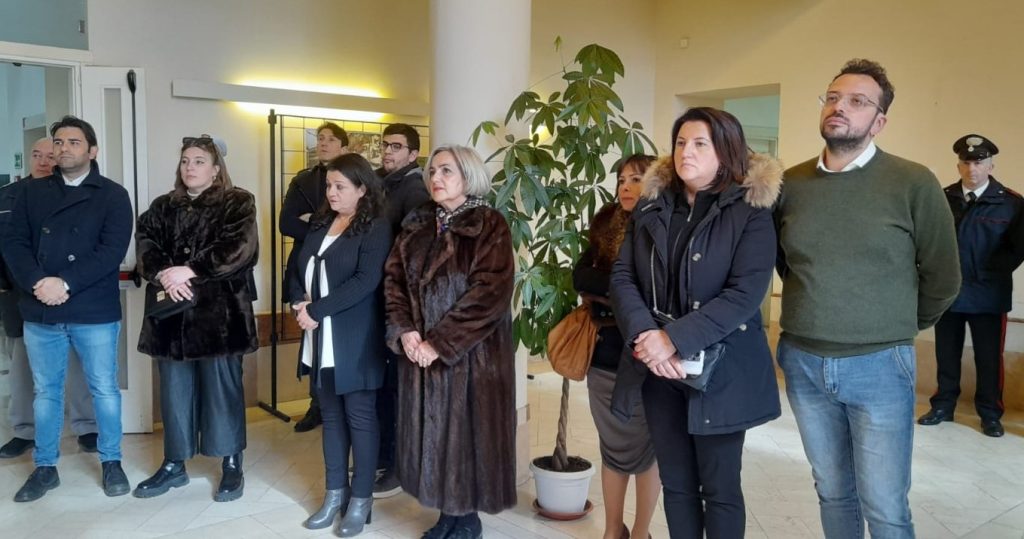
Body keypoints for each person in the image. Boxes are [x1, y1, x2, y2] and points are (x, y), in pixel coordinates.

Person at [774, 59, 960, 538]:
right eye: (833, 97)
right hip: (803, 361)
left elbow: (943, 275)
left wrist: (894, 326)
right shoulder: (790, 185)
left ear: (879, 122)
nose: (840, 107)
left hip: (880, 364)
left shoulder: (912, 182)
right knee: (833, 490)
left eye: (857, 101)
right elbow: (785, 263)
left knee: (884, 504)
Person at [610, 108, 783, 538]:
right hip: (659, 371)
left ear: (726, 151)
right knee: (677, 485)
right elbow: (623, 275)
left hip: (722, 371)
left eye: (700, 144)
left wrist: (672, 339)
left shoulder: (751, 210)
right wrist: (646, 337)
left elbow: (744, 294)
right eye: (681, 143)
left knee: (720, 488)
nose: (686, 152)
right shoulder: (652, 204)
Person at [384, 144, 516, 539]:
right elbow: (394, 282)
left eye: (446, 171)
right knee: (434, 436)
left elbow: (489, 294)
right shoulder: (417, 223)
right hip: (418, 354)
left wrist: (439, 343)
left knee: (465, 439)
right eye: (432, 171)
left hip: (471, 357)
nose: (435, 178)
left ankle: (467, 519)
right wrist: (405, 331)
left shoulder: (489, 224)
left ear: (468, 176)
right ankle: (447, 514)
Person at [3, 115, 134, 501]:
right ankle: (45, 468)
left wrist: (65, 283)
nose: (63, 149)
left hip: (93, 309)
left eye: (73, 142)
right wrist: (38, 282)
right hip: (41, 307)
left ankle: (112, 461)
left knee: (104, 389)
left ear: (92, 151)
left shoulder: (113, 195)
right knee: (45, 392)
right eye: (58, 142)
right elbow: (13, 244)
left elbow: (110, 252)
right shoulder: (32, 192)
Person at [133, 135, 258, 502]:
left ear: (216, 169)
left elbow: (240, 249)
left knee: (222, 393)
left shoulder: (238, 202)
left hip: (220, 318)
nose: (190, 167)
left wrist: (190, 270)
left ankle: (231, 463)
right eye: (185, 160)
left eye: (199, 161)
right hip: (170, 318)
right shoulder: (162, 206)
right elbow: (145, 243)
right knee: (175, 394)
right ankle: (174, 464)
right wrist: (164, 273)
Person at [289, 153, 392, 535]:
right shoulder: (321, 223)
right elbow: (299, 265)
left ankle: (361, 501)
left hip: (355, 339)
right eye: (329, 186)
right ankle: (335, 494)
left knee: (360, 418)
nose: (331, 193)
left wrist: (316, 309)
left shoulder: (376, 227)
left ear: (362, 189)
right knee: (331, 418)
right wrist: (298, 300)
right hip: (319, 337)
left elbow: (365, 281)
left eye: (340, 186)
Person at [573, 154, 661, 539]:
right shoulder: (606, 222)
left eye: (636, 179)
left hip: (648, 354)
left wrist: (612, 289)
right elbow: (580, 276)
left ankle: (641, 532)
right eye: (622, 179)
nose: (626, 186)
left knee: (647, 450)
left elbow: (657, 290)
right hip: (605, 351)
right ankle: (613, 530)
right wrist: (623, 289)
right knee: (611, 445)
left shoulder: (665, 225)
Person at [918, 134, 1024, 438]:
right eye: (966, 162)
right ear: (958, 165)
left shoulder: (1011, 203)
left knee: (989, 358)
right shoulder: (943, 197)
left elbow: (1018, 247)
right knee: (946, 354)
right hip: (949, 293)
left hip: (989, 295)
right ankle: (943, 406)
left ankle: (990, 413)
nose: (972, 168)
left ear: (991, 165)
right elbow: (930, 241)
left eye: (979, 162)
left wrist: (989, 272)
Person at [0, 138, 99, 459]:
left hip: (69, 292)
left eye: (49, 155)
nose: (43, 161)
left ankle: (86, 427)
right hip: (19, 293)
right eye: (36, 155)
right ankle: (24, 431)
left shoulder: (74, 192)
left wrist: (64, 284)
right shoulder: (7, 196)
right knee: (22, 367)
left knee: (77, 363)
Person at [280, 122, 350, 433]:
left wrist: (314, 224)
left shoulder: (357, 177)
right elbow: (286, 223)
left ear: (344, 147)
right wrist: (323, 229)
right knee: (311, 334)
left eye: (331, 139)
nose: (323, 143)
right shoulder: (303, 180)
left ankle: (342, 404)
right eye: (320, 138)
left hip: (342, 270)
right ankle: (316, 404)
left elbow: (356, 225)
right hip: (305, 267)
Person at [373, 122, 430, 499]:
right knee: (382, 386)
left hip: (399, 305)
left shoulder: (414, 190)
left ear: (413, 153)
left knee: (396, 389)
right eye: (385, 145)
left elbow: (413, 254)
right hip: (378, 299)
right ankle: (382, 456)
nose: (388, 151)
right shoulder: (382, 183)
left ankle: (397, 465)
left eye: (396, 146)